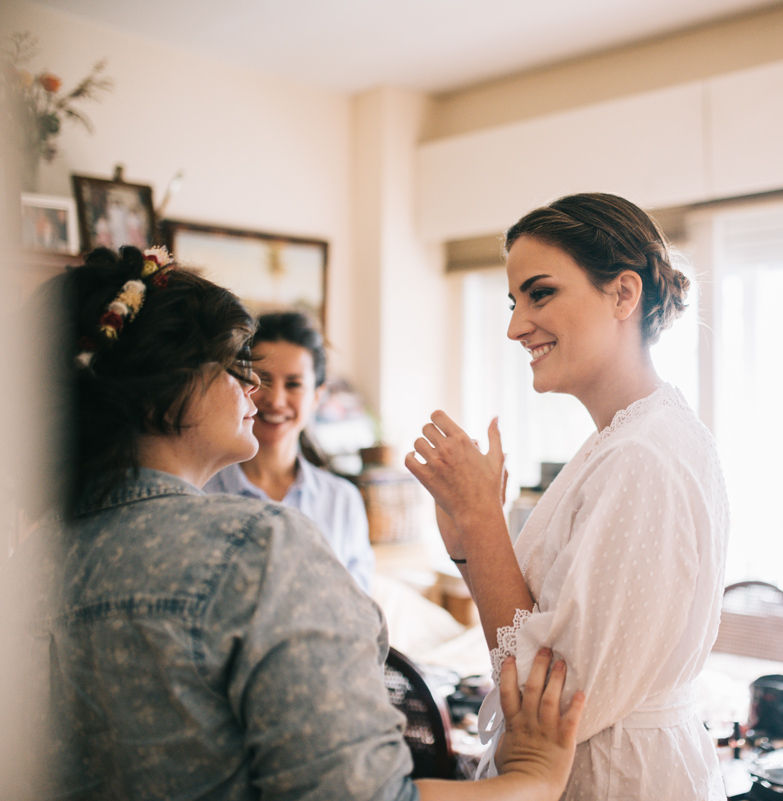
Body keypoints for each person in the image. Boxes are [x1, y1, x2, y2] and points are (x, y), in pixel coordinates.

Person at [12, 245, 584, 801]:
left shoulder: (29, 564)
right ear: (162, 388)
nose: (255, 389)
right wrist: (530, 778)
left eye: (289, 382)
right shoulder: (254, 547)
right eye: (235, 365)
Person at [405, 193, 729, 800]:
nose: (514, 325)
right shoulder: (626, 440)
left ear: (623, 295)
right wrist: (470, 548)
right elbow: (532, 641)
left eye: (541, 292)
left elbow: (550, 695)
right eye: (513, 301)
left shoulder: (642, 457)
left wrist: (482, 521)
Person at [205, 311, 374, 593]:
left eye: (293, 384)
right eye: (263, 380)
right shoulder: (202, 492)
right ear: (241, 385)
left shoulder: (342, 502)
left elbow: (359, 610)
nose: (275, 399)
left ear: (317, 396)